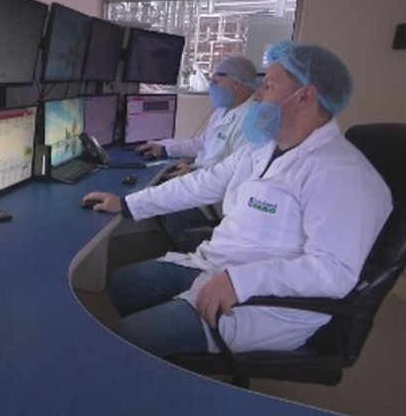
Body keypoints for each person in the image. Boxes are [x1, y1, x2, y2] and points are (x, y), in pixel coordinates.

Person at [82, 41, 392, 357]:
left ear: (306, 96)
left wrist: (239, 281)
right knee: (123, 284)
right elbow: (201, 183)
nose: (257, 95)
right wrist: (129, 203)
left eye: (268, 85)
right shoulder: (262, 148)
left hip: (269, 303)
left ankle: (161, 351)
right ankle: (165, 358)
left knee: (123, 339)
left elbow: (333, 272)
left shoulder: (343, 174)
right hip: (219, 265)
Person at [136, 56, 258, 180]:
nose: (211, 84)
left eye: (216, 80)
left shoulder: (251, 120)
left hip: (213, 189)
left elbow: (233, 171)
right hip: (200, 177)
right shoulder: (223, 110)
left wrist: (193, 171)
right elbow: (203, 143)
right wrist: (165, 149)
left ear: (236, 83)